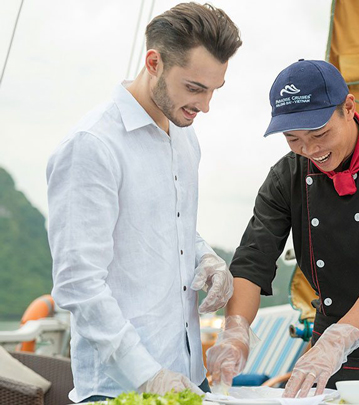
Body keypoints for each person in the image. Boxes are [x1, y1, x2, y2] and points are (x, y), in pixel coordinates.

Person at [206, 59, 359, 397]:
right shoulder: (285, 178)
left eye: (320, 134)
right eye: (293, 138)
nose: (310, 150)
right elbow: (252, 260)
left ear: (348, 108)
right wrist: (236, 331)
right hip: (326, 363)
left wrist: (340, 339)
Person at [46, 3, 242, 402]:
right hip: (121, 389)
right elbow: (78, 282)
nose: (205, 106)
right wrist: (148, 375)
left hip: (189, 379)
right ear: (154, 62)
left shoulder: (185, 137)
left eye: (214, 90)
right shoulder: (92, 145)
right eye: (194, 88)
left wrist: (205, 257)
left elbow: (170, 226)